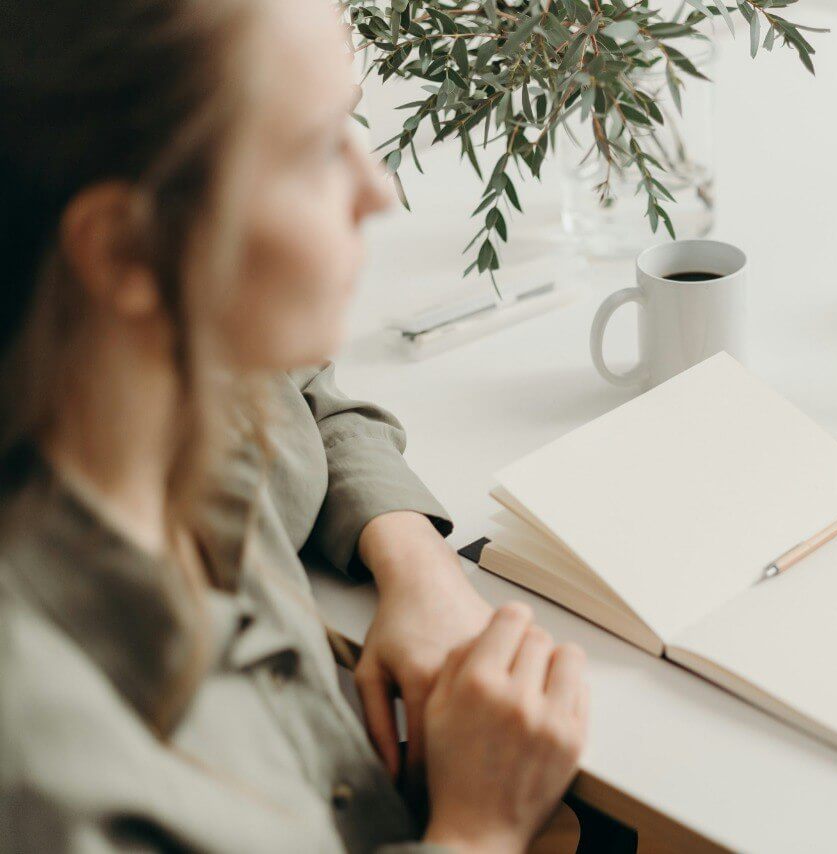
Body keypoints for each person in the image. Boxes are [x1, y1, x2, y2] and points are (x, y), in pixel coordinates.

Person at [0, 0, 589, 851]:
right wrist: (477, 829)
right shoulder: (54, 774)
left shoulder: (165, 357)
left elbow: (294, 379)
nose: (378, 189)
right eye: (318, 149)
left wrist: (415, 562)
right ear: (126, 251)